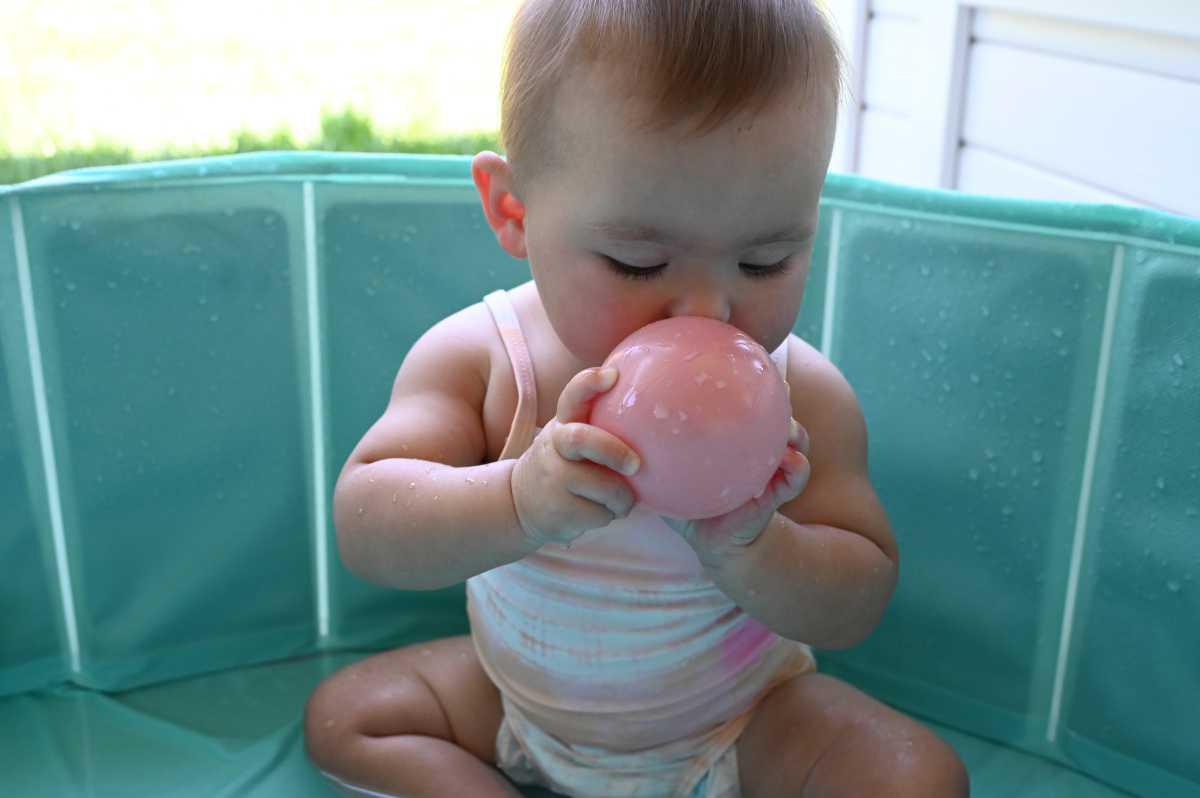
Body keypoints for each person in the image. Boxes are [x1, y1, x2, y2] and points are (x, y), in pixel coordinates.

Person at [305, 1, 970, 796]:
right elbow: (369, 526)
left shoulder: (804, 397)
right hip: (516, 709)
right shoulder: (484, 360)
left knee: (918, 779)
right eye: (636, 261)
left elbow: (856, 600)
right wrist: (519, 500)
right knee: (348, 718)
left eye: (765, 262)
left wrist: (755, 547)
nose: (708, 314)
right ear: (513, 210)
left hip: (740, 724)